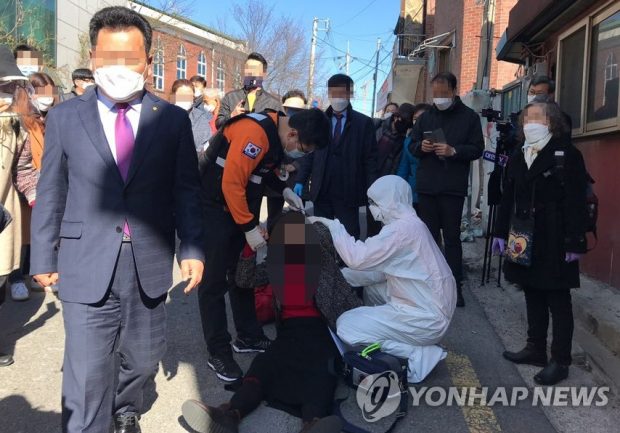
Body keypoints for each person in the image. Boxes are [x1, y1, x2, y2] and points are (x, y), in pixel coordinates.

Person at [30, 7, 205, 433]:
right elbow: (52, 188)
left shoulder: (172, 121)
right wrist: (42, 255)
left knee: (144, 357)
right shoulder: (67, 117)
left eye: (131, 58)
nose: (120, 68)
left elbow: (186, 189)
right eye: (109, 57)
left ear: (148, 61)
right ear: (93, 57)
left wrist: (193, 248)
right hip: (84, 257)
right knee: (86, 371)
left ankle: (126, 405)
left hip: (148, 260)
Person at [198, 108, 330, 382]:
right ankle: (218, 351)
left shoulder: (276, 132)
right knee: (213, 282)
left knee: (241, 275)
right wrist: (249, 227)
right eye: (303, 149)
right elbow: (231, 184)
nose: (300, 154)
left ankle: (248, 335)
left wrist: (282, 190)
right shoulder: (255, 134)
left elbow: (262, 171)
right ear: (293, 134)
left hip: (239, 206)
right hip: (214, 207)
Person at [182, 211, 343, 433]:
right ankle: (229, 415)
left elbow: (345, 298)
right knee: (263, 366)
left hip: (320, 333)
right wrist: (252, 246)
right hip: (289, 334)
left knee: (321, 373)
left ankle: (312, 424)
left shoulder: (321, 259)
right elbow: (243, 279)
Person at [308, 175, 457, 384]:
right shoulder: (413, 225)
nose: (373, 209)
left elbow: (357, 258)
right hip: (431, 307)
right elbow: (378, 272)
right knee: (372, 289)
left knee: (345, 326)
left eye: (375, 203)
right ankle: (388, 332)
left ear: (390, 201)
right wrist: (338, 277)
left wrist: (335, 228)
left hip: (426, 318)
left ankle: (418, 353)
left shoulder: (401, 231)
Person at [493, 102, 588, 386]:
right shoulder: (517, 155)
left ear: (552, 122)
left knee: (558, 299)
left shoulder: (568, 155)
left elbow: (576, 201)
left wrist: (575, 240)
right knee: (531, 291)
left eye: (537, 117)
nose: (530, 122)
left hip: (556, 236)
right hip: (523, 235)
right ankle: (535, 348)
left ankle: (560, 360)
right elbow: (507, 197)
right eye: (526, 118)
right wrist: (500, 232)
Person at [409, 72, 484, 307]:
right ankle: (430, 286)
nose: (439, 97)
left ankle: (454, 288)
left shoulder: (469, 117)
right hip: (428, 186)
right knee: (429, 240)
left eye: (443, 93)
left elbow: (477, 149)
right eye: (435, 93)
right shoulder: (426, 117)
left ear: (453, 91)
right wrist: (421, 146)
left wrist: (454, 151)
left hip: (452, 187)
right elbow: (411, 146)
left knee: (452, 239)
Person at [295, 74, 378, 239]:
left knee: (348, 237)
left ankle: (345, 265)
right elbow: (309, 154)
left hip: (349, 192)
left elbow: (370, 160)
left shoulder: (363, 123)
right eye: (334, 94)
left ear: (350, 94)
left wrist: (373, 191)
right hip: (322, 190)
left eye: (342, 94)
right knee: (321, 235)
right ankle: (325, 264)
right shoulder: (319, 120)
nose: (338, 98)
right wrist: (300, 180)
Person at [0, 44, 39, 356]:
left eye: (9, 87)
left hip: (5, 218)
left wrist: (38, 198)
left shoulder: (16, 127)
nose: (5, 95)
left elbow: (24, 170)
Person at [263, 90, 309, 233]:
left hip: (297, 180)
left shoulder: (308, 128)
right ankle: (272, 249)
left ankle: (292, 252)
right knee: (274, 217)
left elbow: (311, 154)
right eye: (291, 109)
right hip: (276, 178)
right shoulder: (275, 125)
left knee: (296, 219)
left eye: (298, 110)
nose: (294, 113)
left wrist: (295, 165)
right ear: (285, 108)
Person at [216, 52, 282, 128]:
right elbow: (218, 124)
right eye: (248, 68)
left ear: (264, 74)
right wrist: (232, 116)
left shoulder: (273, 104)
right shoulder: (230, 98)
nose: (251, 72)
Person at [397, 103, 432, 210]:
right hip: (412, 193)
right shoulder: (408, 141)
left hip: (432, 193)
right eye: (415, 119)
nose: (418, 122)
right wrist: (398, 190)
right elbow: (404, 167)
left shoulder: (437, 138)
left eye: (422, 118)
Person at [171, 78, 213, 152]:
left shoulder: (201, 119)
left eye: (188, 96)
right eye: (181, 95)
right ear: (173, 96)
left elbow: (205, 149)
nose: (185, 99)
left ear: (193, 98)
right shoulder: (162, 115)